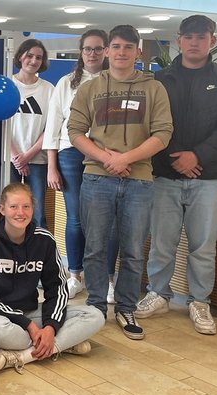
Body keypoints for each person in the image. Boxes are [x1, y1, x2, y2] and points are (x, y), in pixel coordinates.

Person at [136, 15, 217, 335]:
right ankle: (158, 293)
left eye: (202, 37)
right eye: (189, 37)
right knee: (161, 242)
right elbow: (151, 125)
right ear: (179, 40)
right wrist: (178, 158)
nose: (195, 42)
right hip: (165, 175)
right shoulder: (160, 80)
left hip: (209, 178)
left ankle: (200, 301)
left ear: (212, 40)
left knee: (203, 246)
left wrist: (196, 156)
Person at [67, 25, 173, 340]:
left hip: (139, 181)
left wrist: (125, 159)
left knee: (133, 251)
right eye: (116, 46)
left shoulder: (154, 89)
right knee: (96, 248)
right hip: (97, 178)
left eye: (129, 47)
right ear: (107, 51)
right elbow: (75, 132)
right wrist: (106, 158)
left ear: (138, 51)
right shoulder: (90, 88)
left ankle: (125, 307)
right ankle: (97, 307)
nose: (122, 52)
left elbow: (163, 133)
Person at [0, 183, 105, 372]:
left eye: (26, 206)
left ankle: (24, 356)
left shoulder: (45, 239)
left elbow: (58, 289)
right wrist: (30, 327)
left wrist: (50, 327)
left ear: (33, 209)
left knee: (95, 315)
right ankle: (62, 344)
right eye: (13, 207)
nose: (21, 212)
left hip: (31, 312)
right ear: (2, 209)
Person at [44, 29, 121, 301]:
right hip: (71, 155)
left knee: (108, 222)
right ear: (81, 51)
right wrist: (52, 166)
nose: (93, 54)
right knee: (76, 218)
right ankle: (74, 275)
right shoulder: (66, 83)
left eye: (98, 49)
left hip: (107, 156)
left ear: (107, 51)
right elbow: (53, 127)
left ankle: (106, 278)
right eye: (88, 49)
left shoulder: (117, 81)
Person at [7, 39, 53, 228]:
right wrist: (17, 156)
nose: (34, 61)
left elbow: (50, 127)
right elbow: (1, 124)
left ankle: (40, 252)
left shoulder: (49, 89)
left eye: (39, 57)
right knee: (8, 210)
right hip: (9, 160)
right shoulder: (7, 84)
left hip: (37, 159)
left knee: (38, 213)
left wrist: (28, 156)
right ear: (20, 56)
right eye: (30, 55)